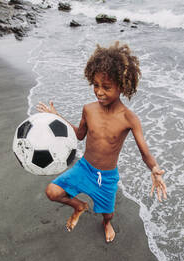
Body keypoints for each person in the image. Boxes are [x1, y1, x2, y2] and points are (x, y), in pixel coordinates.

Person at [37, 41, 167, 243]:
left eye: (106, 87)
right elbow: (79, 135)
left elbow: (144, 152)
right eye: (95, 85)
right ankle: (79, 206)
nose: (99, 92)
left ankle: (106, 224)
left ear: (122, 86)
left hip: (106, 177)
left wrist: (154, 168)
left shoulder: (129, 118)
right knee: (52, 191)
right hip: (84, 168)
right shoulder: (89, 109)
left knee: (108, 214)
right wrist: (57, 117)